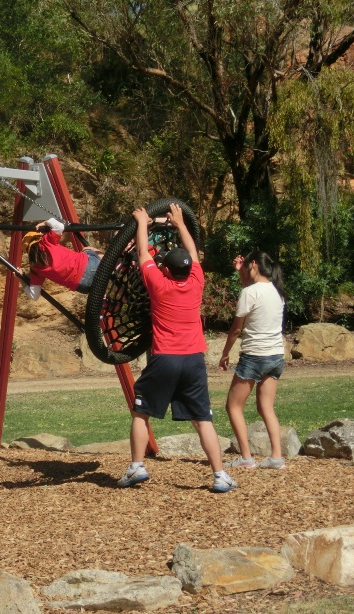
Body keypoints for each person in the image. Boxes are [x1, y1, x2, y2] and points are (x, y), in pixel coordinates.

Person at [119, 203, 237, 493]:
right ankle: (220, 475)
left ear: (167, 270)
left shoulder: (159, 284)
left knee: (140, 411)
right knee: (202, 419)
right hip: (194, 360)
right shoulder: (197, 280)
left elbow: (144, 254)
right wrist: (181, 223)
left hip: (166, 358)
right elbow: (194, 253)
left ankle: (136, 466)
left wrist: (141, 222)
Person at [219, 251, 287, 470]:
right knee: (266, 407)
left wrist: (225, 352)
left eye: (246, 266)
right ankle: (276, 457)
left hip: (254, 356)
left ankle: (246, 457)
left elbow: (236, 328)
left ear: (254, 264)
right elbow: (252, 289)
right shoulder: (277, 292)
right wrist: (241, 272)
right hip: (276, 355)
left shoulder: (249, 292)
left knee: (233, 406)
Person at [22, 218, 103, 299]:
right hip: (89, 265)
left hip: (83, 285)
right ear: (38, 237)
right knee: (87, 249)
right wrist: (45, 223)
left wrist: (21, 278)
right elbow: (59, 226)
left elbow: (34, 296)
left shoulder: (35, 269)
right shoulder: (45, 242)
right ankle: (113, 265)